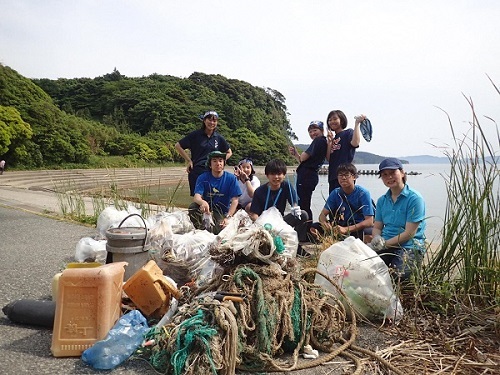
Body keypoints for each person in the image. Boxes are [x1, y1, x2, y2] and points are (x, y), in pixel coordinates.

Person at [369, 158, 426, 282]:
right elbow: (377, 227)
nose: (389, 177)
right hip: (385, 244)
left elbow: (409, 233)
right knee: (366, 270)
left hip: (409, 246)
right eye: (384, 175)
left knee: (398, 276)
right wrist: (376, 238)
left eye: (392, 173)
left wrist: (385, 244)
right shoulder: (382, 200)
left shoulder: (414, 198)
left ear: (402, 173)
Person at [249, 159, 309, 245]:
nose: (276, 177)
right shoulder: (259, 191)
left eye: (279, 174)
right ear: (267, 175)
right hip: (264, 224)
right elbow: (254, 214)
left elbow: (294, 202)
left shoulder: (286, 186)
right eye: (273, 174)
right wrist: (262, 225)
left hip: (280, 221)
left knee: (303, 215)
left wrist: (295, 208)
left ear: (284, 175)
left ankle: (298, 244)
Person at [310, 163, 374, 242]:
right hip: (341, 224)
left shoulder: (363, 193)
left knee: (369, 234)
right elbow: (322, 215)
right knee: (314, 228)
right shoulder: (336, 193)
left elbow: (369, 221)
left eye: (347, 175)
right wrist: (326, 225)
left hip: (357, 226)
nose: (343, 178)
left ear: (354, 177)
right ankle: (329, 243)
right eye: (340, 175)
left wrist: (346, 229)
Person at [175, 111, 233, 196]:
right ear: (204, 120)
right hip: (197, 170)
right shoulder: (195, 135)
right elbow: (178, 146)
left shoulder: (218, 138)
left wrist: (220, 162)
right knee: (198, 198)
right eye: (209, 120)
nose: (212, 123)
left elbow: (229, 152)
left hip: (213, 171)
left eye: (214, 121)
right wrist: (189, 160)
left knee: (212, 196)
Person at [188, 151, 241, 235]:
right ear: (210, 164)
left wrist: (228, 217)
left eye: (220, 160)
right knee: (193, 207)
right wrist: (202, 202)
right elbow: (196, 196)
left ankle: (212, 230)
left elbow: (235, 200)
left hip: (221, 211)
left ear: (224, 163)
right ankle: (200, 230)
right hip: (206, 209)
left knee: (219, 230)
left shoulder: (231, 179)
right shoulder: (203, 177)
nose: (218, 163)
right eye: (214, 161)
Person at [288, 120, 327, 223]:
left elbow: (304, 157)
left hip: (307, 176)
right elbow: (302, 159)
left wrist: (301, 155)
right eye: (310, 131)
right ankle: (306, 228)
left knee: (303, 204)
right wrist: (296, 154)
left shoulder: (318, 141)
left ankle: (306, 229)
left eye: (315, 130)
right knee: (305, 203)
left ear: (322, 130)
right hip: (310, 175)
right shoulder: (322, 141)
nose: (312, 133)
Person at [326, 110, 367, 192]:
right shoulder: (332, 139)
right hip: (333, 176)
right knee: (334, 202)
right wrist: (330, 142)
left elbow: (355, 143)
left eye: (334, 119)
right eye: (329, 120)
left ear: (342, 120)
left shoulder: (348, 133)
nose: (332, 121)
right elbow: (329, 159)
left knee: (346, 202)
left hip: (346, 176)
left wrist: (357, 124)